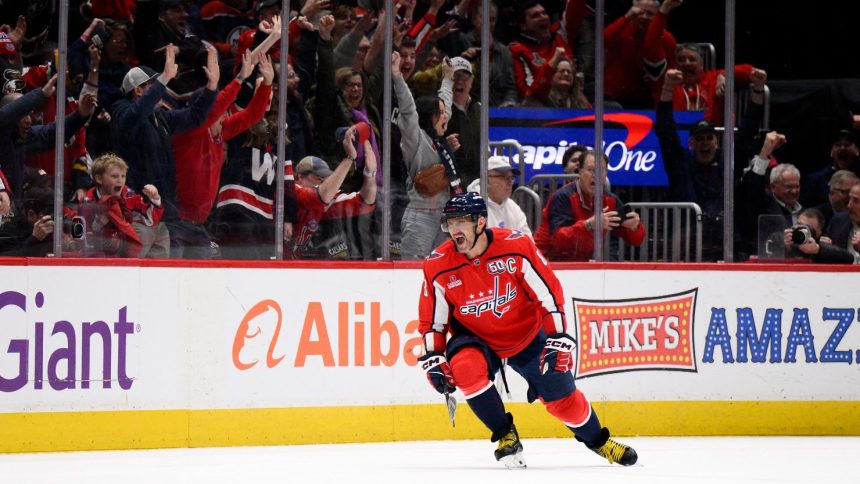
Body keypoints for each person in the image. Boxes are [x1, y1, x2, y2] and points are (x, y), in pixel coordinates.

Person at [417, 192, 638, 469]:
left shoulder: (517, 246)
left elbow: (549, 294)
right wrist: (434, 357)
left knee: (564, 401)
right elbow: (433, 322)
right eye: (450, 223)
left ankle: (599, 441)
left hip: (528, 335)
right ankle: (505, 434)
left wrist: (557, 337)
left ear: (481, 222)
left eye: (462, 221)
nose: (455, 230)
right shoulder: (437, 264)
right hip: (476, 338)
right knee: (464, 368)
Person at [110, 45, 216, 257]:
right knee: (137, 275)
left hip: (166, 212)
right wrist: (165, 77)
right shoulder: (121, 110)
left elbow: (194, 116)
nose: (162, 88)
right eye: (154, 84)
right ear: (138, 90)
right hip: (137, 214)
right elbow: (135, 114)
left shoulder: (161, 117)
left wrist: (211, 88)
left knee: (172, 273)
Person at [656, 68, 766, 260]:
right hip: (687, 247)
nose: (705, 143)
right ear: (691, 143)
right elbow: (665, 131)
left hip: (727, 246)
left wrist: (757, 90)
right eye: (699, 139)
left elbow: (748, 131)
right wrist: (667, 88)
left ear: (716, 142)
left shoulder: (729, 162)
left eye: (709, 138)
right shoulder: (680, 163)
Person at [393, 51, 464, 260]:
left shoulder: (439, 141)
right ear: (428, 117)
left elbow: (446, 103)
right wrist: (397, 76)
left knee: (441, 271)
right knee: (413, 274)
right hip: (420, 216)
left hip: (444, 216)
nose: (445, 116)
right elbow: (408, 110)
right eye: (440, 114)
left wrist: (448, 79)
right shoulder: (415, 139)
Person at [533, 151, 644, 260]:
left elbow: (636, 240)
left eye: (601, 170)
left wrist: (634, 227)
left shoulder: (609, 200)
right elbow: (558, 241)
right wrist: (589, 225)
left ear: (606, 174)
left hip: (579, 263)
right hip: (545, 260)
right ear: (580, 172)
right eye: (590, 170)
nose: (595, 175)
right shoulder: (562, 197)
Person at [289, 129, 378, 259]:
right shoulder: (292, 190)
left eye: (326, 179)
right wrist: (349, 158)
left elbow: (364, 203)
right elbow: (319, 196)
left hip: (294, 264)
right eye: (318, 178)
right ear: (300, 176)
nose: (323, 182)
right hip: (267, 261)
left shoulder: (321, 201)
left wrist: (370, 175)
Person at [79, 153, 166, 258]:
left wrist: (155, 198)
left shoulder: (129, 196)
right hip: (100, 253)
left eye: (123, 176)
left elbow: (150, 220)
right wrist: (99, 223)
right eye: (114, 176)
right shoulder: (88, 200)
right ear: (99, 179)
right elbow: (81, 233)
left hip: (124, 249)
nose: (120, 180)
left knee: (161, 229)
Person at [603, 0, 680, 109]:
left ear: (658, 15)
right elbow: (603, 40)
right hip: (616, 95)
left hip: (649, 98)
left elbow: (670, 68)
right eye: (640, 12)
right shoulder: (621, 29)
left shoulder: (667, 39)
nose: (644, 17)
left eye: (650, 14)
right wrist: (627, 17)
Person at [669, 42, 765, 126]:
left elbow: (750, 72)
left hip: (709, 141)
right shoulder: (669, 82)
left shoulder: (712, 78)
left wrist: (723, 75)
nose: (686, 63)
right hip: (676, 139)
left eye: (692, 59)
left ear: (702, 64)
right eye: (681, 60)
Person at [466, 156, 531, 235]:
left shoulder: (513, 207)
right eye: (504, 177)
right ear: (487, 180)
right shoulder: (471, 207)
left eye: (511, 177)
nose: (510, 182)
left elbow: (528, 241)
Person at [801, 129, 860, 208]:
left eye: (847, 144)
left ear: (857, 151)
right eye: (838, 144)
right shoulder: (815, 180)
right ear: (831, 152)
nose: (842, 148)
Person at [779, 207, 853, 264]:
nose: (801, 229)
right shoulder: (783, 238)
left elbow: (849, 258)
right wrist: (786, 249)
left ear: (818, 232)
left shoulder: (821, 245)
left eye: (807, 228)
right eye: (799, 224)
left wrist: (819, 250)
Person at [828, 183, 860, 263]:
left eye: (856, 201)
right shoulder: (839, 221)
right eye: (849, 199)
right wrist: (823, 248)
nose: (849, 206)